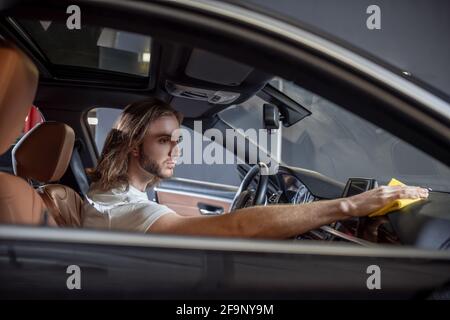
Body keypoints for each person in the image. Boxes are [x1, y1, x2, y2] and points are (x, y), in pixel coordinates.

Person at [82, 98, 429, 238]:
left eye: (177, 139)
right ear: (132, 146)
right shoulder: (122, 209)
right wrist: (347, 206)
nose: (176, 149)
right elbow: (236, 226)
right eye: (163, 141)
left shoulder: (121, 195)